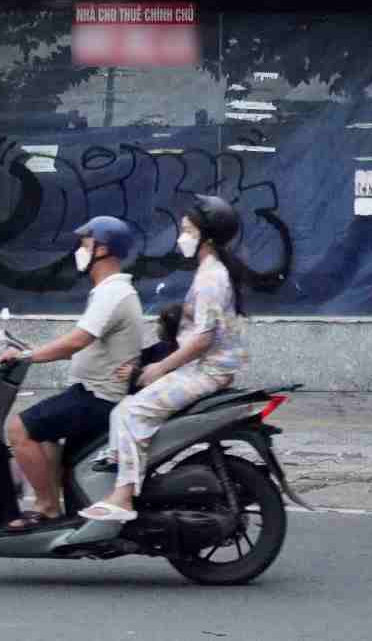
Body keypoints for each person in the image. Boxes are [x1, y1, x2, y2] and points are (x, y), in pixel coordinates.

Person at [84, 197, 250, 522]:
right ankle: (124, 477)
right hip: (203, 367)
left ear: (208, 237)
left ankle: (124, 498)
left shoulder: (211, 278)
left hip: (207, 371)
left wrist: (159, 368)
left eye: (187, 231)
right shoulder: (210, 271)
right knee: (124, 410)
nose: (180, 237)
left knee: (132, 413)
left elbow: (203, 339)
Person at [0, 216, 147, 530]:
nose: (79, 250)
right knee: (44, 432)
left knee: (18, 429)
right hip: (92, 392)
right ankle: (58, 507)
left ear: (102, 249)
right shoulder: (110, 291)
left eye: (85, 243)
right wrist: (30, 349)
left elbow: (77, 341)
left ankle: (47, 507)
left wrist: (26, 356)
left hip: (98, 397)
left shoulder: (112, 293)